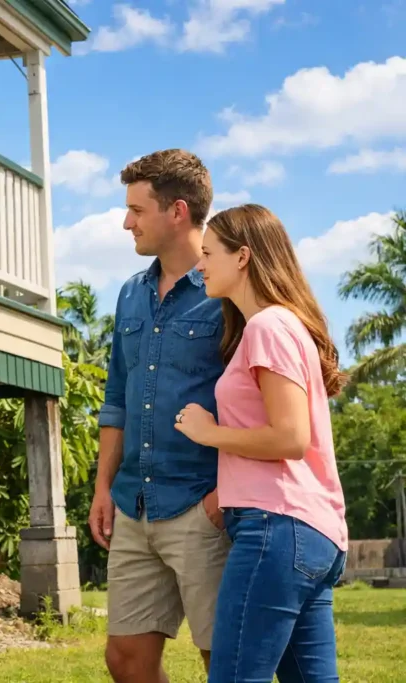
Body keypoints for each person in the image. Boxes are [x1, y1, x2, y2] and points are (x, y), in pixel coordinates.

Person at [174, 204, 349, 682]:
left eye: (208, 253)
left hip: (276, 528)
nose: (199, 264)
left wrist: (208, 433)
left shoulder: (269, 326)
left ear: (243, 257)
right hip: (312, 535)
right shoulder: (284, 325)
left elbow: (291, 438)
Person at [90, 149, 231, 682]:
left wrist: (226, 490)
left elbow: (258, 398)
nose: (127, 222)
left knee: (224, 661)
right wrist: (104, 487)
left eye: (136, 210)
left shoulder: (228, 293)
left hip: (203, 504)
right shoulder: (131, 294)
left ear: (176, 211)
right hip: (134, 504)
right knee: (125, 658)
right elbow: (117, 400)